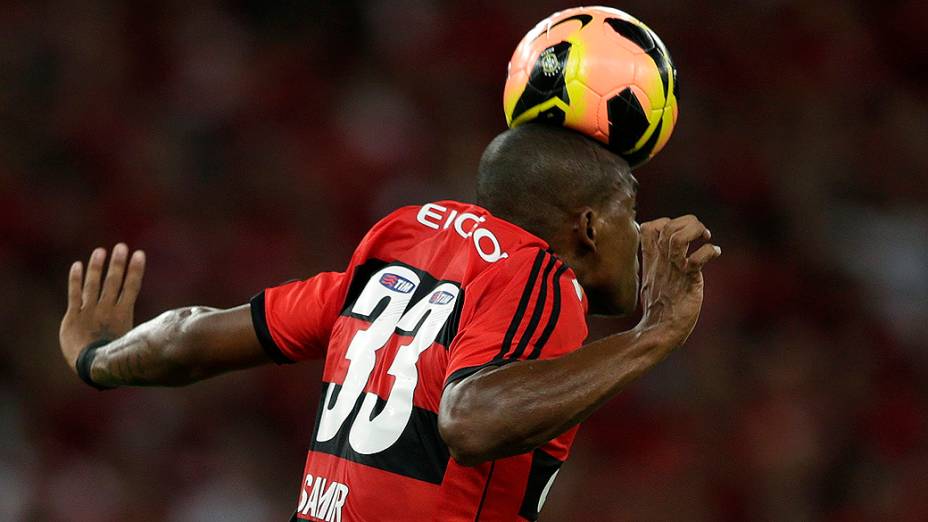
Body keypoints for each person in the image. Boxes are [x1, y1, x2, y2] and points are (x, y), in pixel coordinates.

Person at [58, 123, 720, 521]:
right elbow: (472, 420)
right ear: (586, 226)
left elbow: (191, 338)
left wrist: (99, 358)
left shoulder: (401, 243)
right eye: (628, 216)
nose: (636, 236)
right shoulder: (541, 276)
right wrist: (654, 334)